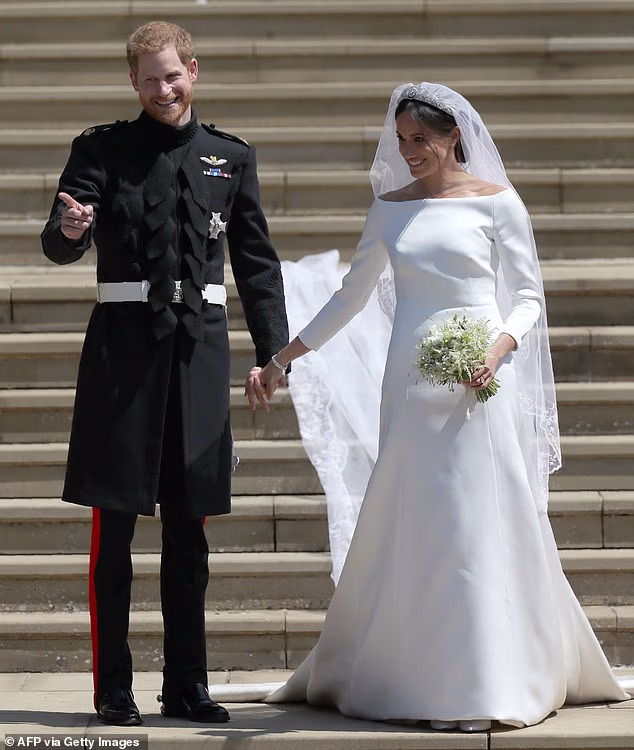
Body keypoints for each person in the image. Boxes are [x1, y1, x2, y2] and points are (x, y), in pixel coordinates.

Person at [242, 82, 632, 731]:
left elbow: (529, 297)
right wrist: (283, 359)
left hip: (482, 376)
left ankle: (494, 673)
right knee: (419, 514)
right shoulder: (390, 210)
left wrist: (499, 348)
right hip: (410, 380)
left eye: (419, 139)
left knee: (483, 509)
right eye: (401, 141)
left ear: (453, 136)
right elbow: (350, 298)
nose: (408, 151)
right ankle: (412, 669)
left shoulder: (498, 203)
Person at [41, 21, 289, 726]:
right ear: (132, 82)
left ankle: (187, 685)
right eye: (149, 78)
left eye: (173, 75)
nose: (163, 89)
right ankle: (113, 690)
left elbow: (257, 264)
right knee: (112, 533)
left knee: (189, 532)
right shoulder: (100, 150)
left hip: (199, 356)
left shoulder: (229, 157)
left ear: (194, 71)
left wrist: (272, 352)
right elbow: (59, 241)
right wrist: (71, 229)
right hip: (121, 358)